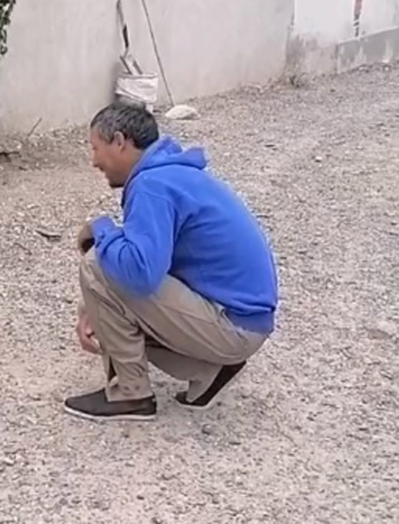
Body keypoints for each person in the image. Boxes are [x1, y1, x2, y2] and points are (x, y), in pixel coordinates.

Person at [64, 101, 278, 422]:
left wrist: (100, 227)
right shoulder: (170, 176)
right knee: (112, 262)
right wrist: (92, 309)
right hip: (244, 323)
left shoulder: (152, 186)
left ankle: (131, 395)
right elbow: (149, 261)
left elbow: (139, 274)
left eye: (96, 148)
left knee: (98, 262)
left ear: (119, 141)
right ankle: (209, 371)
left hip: (232, 326)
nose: (94, 161)